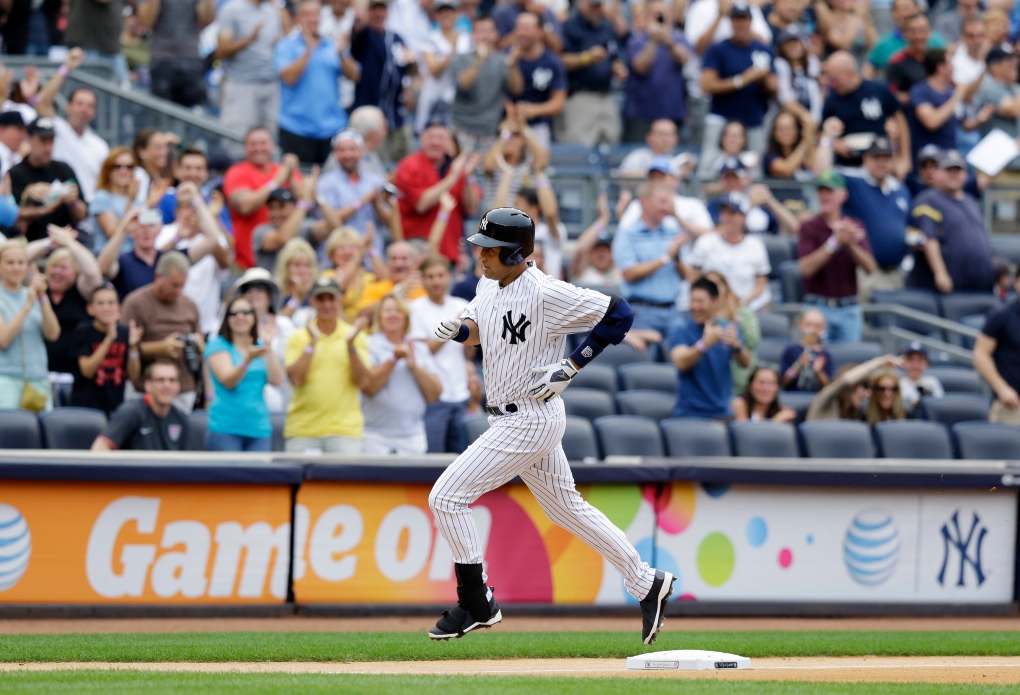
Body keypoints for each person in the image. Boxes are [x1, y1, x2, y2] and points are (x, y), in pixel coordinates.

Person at [427, 206, 676, 644]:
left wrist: (574, 364)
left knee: (446, 497)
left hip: (528, 415)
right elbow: (482, 329)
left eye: (489, 249)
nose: (480, 255)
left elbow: (620, 314)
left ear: (514, 253)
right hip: (516, 414)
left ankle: (476, 602)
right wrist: (460, 330)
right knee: (566, 508)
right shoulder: (489, 283)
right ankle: (645, 581)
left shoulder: (545, 292)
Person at [284, 275, 371, 453]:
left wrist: (350, 346)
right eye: (321, 299)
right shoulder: (298, 337)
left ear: (339, 300)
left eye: (331, 298)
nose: (326, 305)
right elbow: (296, 379)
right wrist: (312, 342)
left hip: (344, 432)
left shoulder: (354, 336)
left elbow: (363, 382)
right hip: (303, 430)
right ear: (312, 301)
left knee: (345, 482)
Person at [274, 0, 360, 165]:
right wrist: (309, 50)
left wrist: (341, 53)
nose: (312, 19)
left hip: (331, 128)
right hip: (296, 128)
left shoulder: (332, 45)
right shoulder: (286, 46)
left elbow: (354, 75)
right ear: (297, 19)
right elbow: (289, 78)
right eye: (306, 14)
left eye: (316, 14)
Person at [699, 3, 776, 180]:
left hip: (752, 118)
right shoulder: (718, 49)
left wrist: (764, 80)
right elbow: (706, 85)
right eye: (737, 19)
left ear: (751, 22)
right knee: (709, 164)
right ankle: (706, 200)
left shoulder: (762, 49)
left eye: (745, 19)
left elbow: (774, 87)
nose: (741, 24)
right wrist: (743, 79)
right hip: (721, 116)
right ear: (731, 22)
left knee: (755, 170)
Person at [797, 170, 875, 343]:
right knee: (814, 357)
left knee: (850, 362)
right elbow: (806, 269)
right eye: (821, 191)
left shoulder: (854, 225)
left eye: (830, 191)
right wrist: (835, 242)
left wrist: (850, 243)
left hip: (849, 308)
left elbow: (870, 267)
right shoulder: (809, 227)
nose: (824, 196)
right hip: (816, 308)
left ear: (843, 195)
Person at [120, 252, 204, 413]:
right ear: (158, 276)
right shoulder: (136, 303)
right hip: (145, 388)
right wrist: (161, 348)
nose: (178, 290)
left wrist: (199, 344)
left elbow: (200, 343)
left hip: (183, 387)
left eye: (182, 285)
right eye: (174, 285)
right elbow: (123, 348)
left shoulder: (190, 305)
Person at [361, 293, 442, 454]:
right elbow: (368, 386)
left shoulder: (419, 348)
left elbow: (435, 394)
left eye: (398, 310)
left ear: (406, 317)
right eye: (387, 311)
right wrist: (393, 359)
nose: (393, 314)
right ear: (379, 317)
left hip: (412, 436)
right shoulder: (368, 344)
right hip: (374, 436)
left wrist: (414, 366)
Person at [411, 255, 474, 453]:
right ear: (422, 279)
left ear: (449, 277)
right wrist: (455, 327)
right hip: (433, 398)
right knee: (433, 461)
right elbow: (424, 352)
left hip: (461, 393)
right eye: (430, 276)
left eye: (440, 275)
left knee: (461, 461)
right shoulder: (415, 309)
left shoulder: (461, 305)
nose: (435, 281)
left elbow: (469, 353)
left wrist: (467, 335)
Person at [394, 119, 480, 264]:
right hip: (418, 254)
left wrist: (466, 175)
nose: (435, 142)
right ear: (421, 139)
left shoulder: (455, 166)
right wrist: (453, 177)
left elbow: (471, 208)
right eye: (430, 137)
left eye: (440, 138)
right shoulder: (409, 165)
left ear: (448, 142)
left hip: (450, 254)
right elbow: (421, 204)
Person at [908, 150, 994, 294]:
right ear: (936, 172)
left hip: (979, 287)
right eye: (948, 170)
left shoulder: (971, 201)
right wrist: (940, 273)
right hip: (947, 290)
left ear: (965, 174)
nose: (953, 174)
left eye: (957, 170)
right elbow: (929, 239)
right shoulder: (928, 199)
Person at [205, 294, 284, 451]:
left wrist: (268, 346)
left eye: (246, 312)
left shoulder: (260, 345)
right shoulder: (217, 344)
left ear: (254, 317)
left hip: (259, 429)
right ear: (227, 318)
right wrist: (247, 359)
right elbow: (228, 381)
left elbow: (277, 380)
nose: (240, 317)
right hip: (225, 428)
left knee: (258, 476)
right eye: (234, 313)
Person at [611, 181, 688, 340]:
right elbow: (630, 273)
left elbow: (687, 276)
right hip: (642, 313)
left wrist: (677, 257)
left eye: (668, 202)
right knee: (645, 364)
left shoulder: (673, 232)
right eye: (662, 202)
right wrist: (665, 258)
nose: (666, 208)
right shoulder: (628, 233)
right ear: (644, 202)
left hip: (674, 311)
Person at [154, 181, 233, 334]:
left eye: (194, 206)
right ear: (176, 212)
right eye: (185, 206)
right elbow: (154, 263)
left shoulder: (215, 235)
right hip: (170, 321)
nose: (190, 211)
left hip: (207, 324)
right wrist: (177, 238)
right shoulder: (164, 233)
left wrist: (208, 231)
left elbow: (225, 264)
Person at [32, 49, 110, 202]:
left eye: (90, 106)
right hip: (53, 203)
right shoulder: (57, 129)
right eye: (79, 103)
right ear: (68, 107)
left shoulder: (100, 146)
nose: (84, 109)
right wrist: (66, 67)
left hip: (87, 211)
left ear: (94, 113)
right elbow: (41, 102)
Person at [670, 276, 752, 418]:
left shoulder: (728, 328)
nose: (695, 306)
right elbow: (681, 362)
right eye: (692, 301)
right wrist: (705, 343)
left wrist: (737, 346)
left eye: (700, 301)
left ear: (715, 302)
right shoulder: (681, 329)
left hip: (722, 412)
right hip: (690, 413)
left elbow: (745, 363)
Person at [841, 138, 911, 302]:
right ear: (865, 159)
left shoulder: (901, 189)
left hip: (895, 272)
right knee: (867, 320)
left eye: (886, 158)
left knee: (892, 322)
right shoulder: (854, 181)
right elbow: (821, 172)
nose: (881, 163)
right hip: (865, 271)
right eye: (876, 158)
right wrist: (827, 142)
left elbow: (906, 225)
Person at [31, 225, 105, 377]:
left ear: (75, 274)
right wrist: (50, 243)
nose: (57, 271)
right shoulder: (37, 288)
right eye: (53, 266)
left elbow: (93, 272)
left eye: (63, 268)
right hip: (39, 372)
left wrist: (69, 242)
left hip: (75, 375)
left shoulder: (82, 291)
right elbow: (20, 258)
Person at [223, 129, 301, 269]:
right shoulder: (237, 172)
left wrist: (292, 176)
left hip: (287, 265)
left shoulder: (283, 170)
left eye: (263, 143)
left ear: (273, 145)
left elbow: (305, 202)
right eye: (253, 144)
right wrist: (275, 182)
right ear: (245, 147)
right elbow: (245, 206)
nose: (258, 148)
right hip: (246, 263)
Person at [821, 51, 909, 173]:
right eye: (830, 80)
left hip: (881, 161)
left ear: (850, 74)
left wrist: (905, 158)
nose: (832, 85)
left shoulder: (878, 89)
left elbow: (900, 118)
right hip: (849, 167)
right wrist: (834, 144)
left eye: (835, 80)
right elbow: (821, 134)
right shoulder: (831, 100)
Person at [0, 238, 60, 410]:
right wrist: (27, 305)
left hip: (38, 378)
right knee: (9, 433)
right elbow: (3, 340)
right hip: (7, 379)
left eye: (21, 262)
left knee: (39, 433)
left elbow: (53, 333)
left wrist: (42, 299)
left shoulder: (34, 294)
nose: (16, 267)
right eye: (10, 263)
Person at [558, 0, 629, 146]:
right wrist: (587, 58)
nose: (596, 9)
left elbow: (614, 56)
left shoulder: (606, 27)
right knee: (579, 148)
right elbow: (560, 61)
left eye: (598, 5)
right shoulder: (570, 26)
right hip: (580, 96)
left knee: (610, 144)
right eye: (592, 5)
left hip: (606, 96)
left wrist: (618, 67)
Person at [688, 192, 772, 312]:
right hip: (712, 309)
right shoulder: (706, 241)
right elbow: (693, 278)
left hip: (747, 308)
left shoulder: (755, 245)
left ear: (744, 217)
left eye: (732, 213)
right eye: (724, 212)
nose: (727, 218)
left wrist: (743, 303)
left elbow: (761, 284)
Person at [8, 118, 88, 243]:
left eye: (51, 141)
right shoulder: (15, 174)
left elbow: (82, 215)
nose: (48, 148)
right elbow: (18, 227)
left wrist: (73, 202)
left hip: (64, 246)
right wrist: (27, 197)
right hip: (32, 245)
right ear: (29, 139)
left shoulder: (63, 169)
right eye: (43, 141)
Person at [450, 15, 523, 150]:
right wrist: (479, 60)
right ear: (473, 34)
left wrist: (513, 65)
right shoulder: (460, 58)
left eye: (489, 31)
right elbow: (463, 84)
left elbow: (516, 89)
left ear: (496, 34)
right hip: (462, 128)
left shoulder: (502, 61)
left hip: (490, 130)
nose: (484, 36)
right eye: (480, 31)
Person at [350, 0, 412, 159]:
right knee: (374, 160)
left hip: (395, 113)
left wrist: (414, 64)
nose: (378, 14)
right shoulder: (364, 35)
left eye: (382, 10)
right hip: (370, 113)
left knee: (401, 159)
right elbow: (358, 23)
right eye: (374, 10)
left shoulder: (396, 38)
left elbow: (407, 69)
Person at [69, 285, 143, 415]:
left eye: (110, 303)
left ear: (118, 307)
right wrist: (109, 338)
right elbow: (87, 371)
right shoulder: (83, 331)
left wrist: (132, 347)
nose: (106, 308)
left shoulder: (126, 332)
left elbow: (134, 376)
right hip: (86, 407)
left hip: (117, 406)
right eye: (101, 303)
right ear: (90, 309)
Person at [216, 0, 284, 137]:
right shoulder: (231, 9)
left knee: (270, 139)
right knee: (237, 137)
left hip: (271, 83)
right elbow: (221, 51)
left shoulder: (272, 11)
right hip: (241, 83)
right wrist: (249, 39)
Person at [624, 0, 688, 145]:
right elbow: (640, 68)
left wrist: (668, 41)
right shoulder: (637, 40)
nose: (660, 19)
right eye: (656, 15)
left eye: (663, 15)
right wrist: (653, 40)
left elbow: (683, 58)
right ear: (647, 17)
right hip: (642, 114)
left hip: (672, 113)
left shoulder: (678, 38)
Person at [91, 359, 190, 451]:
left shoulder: (180, 418)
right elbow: (100, 447)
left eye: (172, 380)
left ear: (178, 386)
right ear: (148, 385)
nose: (167, 385)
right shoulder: (130, 412)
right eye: (160, 380)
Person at [316, 130, 388, 251]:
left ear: (361, 151)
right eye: (342, 150)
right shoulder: (325, 183)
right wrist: (363, 200)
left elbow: (389, 221)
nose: (347, 155)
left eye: (352, 149)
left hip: (372, 252)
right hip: (338, 252)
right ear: (335, 153)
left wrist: (377, 203)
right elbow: (329, 219)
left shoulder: (376, 181)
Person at [137, 0, 215, 108]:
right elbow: (146, 22)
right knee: (161, 113)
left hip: (190, 59)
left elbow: (206, 19)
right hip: (162, 60)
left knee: (198, 113)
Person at [254, 173, 336, 273]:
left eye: (281, 207)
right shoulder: (261, 231)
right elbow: (283, 238)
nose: (276, 213)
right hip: (273, 287)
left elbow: (334, 226)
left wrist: (316, 196)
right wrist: (304, 202)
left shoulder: (304, 228)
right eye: (272, 208)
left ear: (293, 207)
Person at [512, 11, 567, 148]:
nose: (521, 33)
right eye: (519, 28)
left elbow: (558, 102)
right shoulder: (506, 57)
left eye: (526, 28)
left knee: (539, 165)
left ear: (540, 32)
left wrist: (533, 110)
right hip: (508, 125)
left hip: (538, 126)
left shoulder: (552, 62)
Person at [974, 270, 1020, 425]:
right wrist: (1001, 388)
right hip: (1012, 405)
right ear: (1017, 283)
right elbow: (980, 354)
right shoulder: (1001, 315)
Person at [704, 269, 759, 395]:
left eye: (716, 284)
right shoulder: (704, 318)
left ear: (725, 287)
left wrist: (734, 317)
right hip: (715, 382)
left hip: (742, 380)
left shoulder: (743, 313)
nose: (713, 289)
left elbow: (752, 340)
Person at [806, 354, 900, 421]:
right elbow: (845, 380)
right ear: (850, 387)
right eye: (864, 386)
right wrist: (879, 362)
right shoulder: (826, 400)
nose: (868, 393)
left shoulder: (854, 413)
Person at [98, 208, 165, 300]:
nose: (146, 231)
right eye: (141, 226)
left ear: (159, 229)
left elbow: (191, 254)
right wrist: (123, 230)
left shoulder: (167, 259)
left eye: (151, 225)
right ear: (132, 232)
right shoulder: (124, 261)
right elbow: (103, 269)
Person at [90, 147, 138, 254]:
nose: (123, 171)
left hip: (134, 258)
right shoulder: (101, 198)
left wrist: (152, 203)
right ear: (108, 170)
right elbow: (113, 234)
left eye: (129, 167)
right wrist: (130, 201)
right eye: (117, 166)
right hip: (111, 259)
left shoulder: (136, 199)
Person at [774, 26, 822, 127]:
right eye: (788, 43)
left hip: (810, 117)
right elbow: (785, 99)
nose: (793, 46)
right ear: (782, 46)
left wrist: (815, 118)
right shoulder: (779, 64)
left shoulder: (812, 62)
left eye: (796, 42)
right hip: (788, 118)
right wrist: (807, 117)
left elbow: (817, 94)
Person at [779, 309, 834, 392]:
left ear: (823, 329)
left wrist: (819, 372)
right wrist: (798, 365)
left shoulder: (825, 355)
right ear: (800, 325)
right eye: (808, 325)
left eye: (817, 326)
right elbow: (784, 382)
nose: (812, 330)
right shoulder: (791, 350)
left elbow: (829, 388)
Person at [275, 237, 319, 327]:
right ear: (286, 267)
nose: (302, 270)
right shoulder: (277, 292)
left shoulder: (319, 291)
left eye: (307, 265)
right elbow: (279, 324)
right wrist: (297, 298)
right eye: (297, 265)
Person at [731, 366, 797, 422]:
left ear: (777, 388)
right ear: (750, 385)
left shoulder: (782, 412)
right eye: (761, 382)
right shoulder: (740, 405)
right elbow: (744, 435)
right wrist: (776, 421)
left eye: (770, 383)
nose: (765, 388)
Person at [899, 341, 943, 415]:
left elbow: (940, 406)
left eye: (920, 360)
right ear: (904, 362)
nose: (915, 365)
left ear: (926, 363)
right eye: (911, 360)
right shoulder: (899, 384)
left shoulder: (933, 382)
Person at [0, 111, 27, 178]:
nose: (23, 136)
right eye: (19, 130)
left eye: (24, 131)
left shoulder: (15, 155)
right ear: (1, 129)